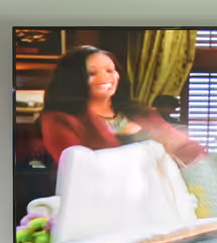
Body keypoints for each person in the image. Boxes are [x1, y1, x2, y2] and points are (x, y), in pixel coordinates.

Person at [38, 46, 205, 170]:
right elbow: (77, 168)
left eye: (110, 70)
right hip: (99, 203)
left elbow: (187, 147)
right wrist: (152, 156)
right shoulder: (59, 119)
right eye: (92, 73)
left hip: (156, 197)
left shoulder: (141, 113)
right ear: (73, 79)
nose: (106, 78)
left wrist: (176, 157)